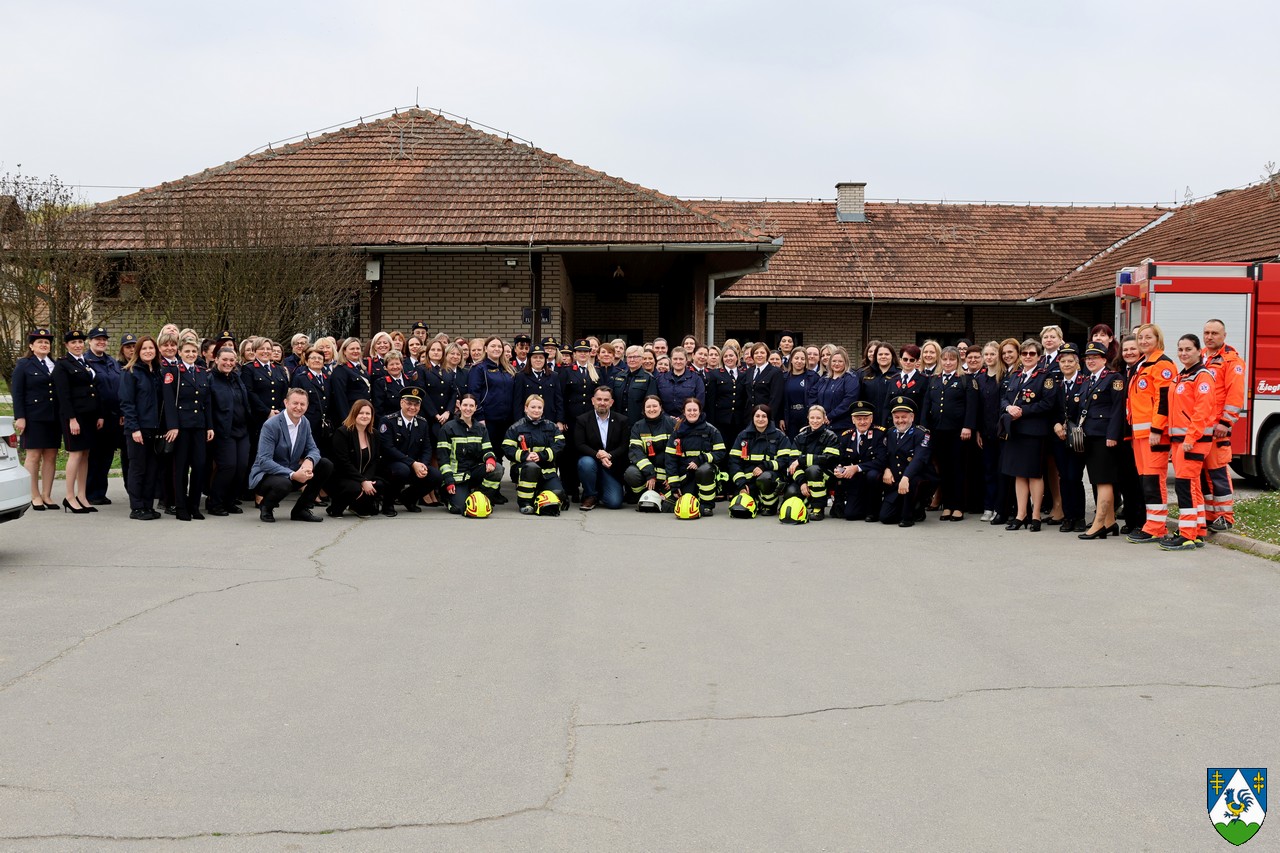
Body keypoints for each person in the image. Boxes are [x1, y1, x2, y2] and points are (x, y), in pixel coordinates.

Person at [1161, 334, 1216, 551]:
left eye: (1188, 349)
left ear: (1198, 351)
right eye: (1180, 349)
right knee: (1192, 485)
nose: (1183, 353)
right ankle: (1197, 530)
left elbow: (1202, 411)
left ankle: (1186, 534)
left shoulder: (1202, 377)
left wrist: (1190, 438)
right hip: (1180, 441)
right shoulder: (1182, 376)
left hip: (1192, 441)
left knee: (1185, 486)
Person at [1125, 323, 1177, 544]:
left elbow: (1163, 400)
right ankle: (1152, 524)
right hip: (1140, 435)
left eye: (1148, 337)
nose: (1143, 341)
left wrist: (1157, 429)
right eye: (1140, 338)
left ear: (1158, 339)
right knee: (1146, 481)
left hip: (1154, 434)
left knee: (1154, 481)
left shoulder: (1162, 364)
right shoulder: (1143, 364)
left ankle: (1156, 527)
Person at [250, 387, 334, 523]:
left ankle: (301, 510)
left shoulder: (304, 422)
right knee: (284, 483)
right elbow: (264, 461)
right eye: (295, 403)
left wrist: (309, 461)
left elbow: (313, 449)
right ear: (286, 403)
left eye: (302, 404)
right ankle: (266, 507)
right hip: (266, 475)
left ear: (307, 406)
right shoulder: (271, 425)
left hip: (292, 472)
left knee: (325, 465)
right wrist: (293, 474)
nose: (298, 407)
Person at [999, 339, 1057, 531]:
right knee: (1019, 474)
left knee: (1034, 474)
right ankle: (1021, 514)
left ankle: (1036, 515)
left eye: (1032, 354)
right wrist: (1008, 408)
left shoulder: (1045, 377)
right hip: (1015, 431)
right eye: (1024, 354)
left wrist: (1023, 411)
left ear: (1039, 357)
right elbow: (1004, 398)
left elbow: (1048, 404)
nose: (1028, 357)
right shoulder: (1016, 375)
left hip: (1034, 432)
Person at [161, 338, 214, 521]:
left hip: (199, 426)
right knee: (181, 468)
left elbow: (207, 402)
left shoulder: (201, 372)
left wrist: (209, 426)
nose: (191, 355)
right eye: (187, 351)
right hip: (181, 427)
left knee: (199, 465)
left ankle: (194, 506)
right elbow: (169, 401)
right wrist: (173, 426)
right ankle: (181, 507)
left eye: (193, 351)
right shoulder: (172, 372)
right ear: (180, 353)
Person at [1076, 342, 1125, 540]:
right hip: (1090, 436)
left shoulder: (1114, 378)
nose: (1090, 361)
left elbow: (1117, 409)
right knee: (1097, 480)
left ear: (1104, 359)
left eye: (1095, 357)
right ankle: (1110, 522)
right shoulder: (1088, 380)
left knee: (1103, 480)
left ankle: (1098, 524)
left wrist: (1112, 435)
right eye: (1088, 358)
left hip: (1105, 438)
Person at [1200, 319, 1245, 531]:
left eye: (1214, 333)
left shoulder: (1231, 361)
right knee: (1204, 474)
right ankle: (1210, 514)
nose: (1209, 337)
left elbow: (1235, 395)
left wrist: (1226, 422)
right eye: (1207, 332)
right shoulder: (1201, 356)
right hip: (1202, 427)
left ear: (1224, 336)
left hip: (1218, 428)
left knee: (1218, 473)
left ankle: (1226, 517)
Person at [51, 328, 101, 513]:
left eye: (80, 342)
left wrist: (99, 415)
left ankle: (82, 495)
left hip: (89, 416)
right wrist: (72, 419)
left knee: (85, 454)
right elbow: (63, 395)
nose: (78, 345)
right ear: (66, 345)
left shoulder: (86, 362)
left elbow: (93, 389)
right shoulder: (62, 364)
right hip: (74, 416)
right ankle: (69, 496)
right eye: (73, 342)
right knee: (76, 454)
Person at [921, 346, 972, 521]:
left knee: (957, 468)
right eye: (945, 359)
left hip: (957, 432)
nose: (948, 362)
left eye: (952, 359)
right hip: (938, 431)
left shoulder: (965, 379)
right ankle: (947, 505)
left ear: (958, 361)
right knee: (943, 469)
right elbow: (927, 404)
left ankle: (958, 506)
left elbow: (971, 406)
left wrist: (968, 426)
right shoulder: (934, 380)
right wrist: (924, 427)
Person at [12, 327, 60, 511]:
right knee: (33, 456)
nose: (44, 344)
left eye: (47, 342)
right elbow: (17, 393)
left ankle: (47, 494)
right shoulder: (24, 364)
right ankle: (34, 495)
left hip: (53, 417)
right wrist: (20, 417)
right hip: (33, 417)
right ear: (31, 346)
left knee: (51, 455)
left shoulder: (55, 364)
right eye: (39, 342)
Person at [118, 335, 164, 520]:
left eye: (151, 348)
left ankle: (147, 505)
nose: (148, 351)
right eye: (144, 348)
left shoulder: (158, 372)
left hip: (155, 428)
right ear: (138, 351)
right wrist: (134, 428)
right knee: (138, 468)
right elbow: (127, 403)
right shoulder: (130, 372)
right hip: (137, 429)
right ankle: (136, 507)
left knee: (152, 469)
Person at [378, 386, 442, 515]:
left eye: (416, 404)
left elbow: (427, 448)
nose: (412, 407)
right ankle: (388, 503)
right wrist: (413, 463)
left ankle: (408, 498)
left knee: (435, 475)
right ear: (401, 403)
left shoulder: (422, 423)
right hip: (391, 465)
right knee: (402, 470)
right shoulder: (388, 421)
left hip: (413, 465)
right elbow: (388, 448)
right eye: (409, 403)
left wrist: (423, 464)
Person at [438, 394, 502, 515]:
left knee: (497, 469)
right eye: (465, 405)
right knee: (460, 509)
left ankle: (483, 498)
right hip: (456, 476)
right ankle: (447, 497)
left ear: (476, 407)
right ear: (460, 406)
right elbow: (443, 458)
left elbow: (487, 449)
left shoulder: (481, 429)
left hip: (474, 472)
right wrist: (449, 480)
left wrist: (490, 460)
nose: (468, 408)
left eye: (471, 406)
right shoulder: (448, 428)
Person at [504, 394, 566, 514]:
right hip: (524, 469)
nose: (536, 410)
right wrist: (525, 456)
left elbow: (560, 445)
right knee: (531, 467)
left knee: (559, 494)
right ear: (526, 408)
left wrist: (541, 455)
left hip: (547, 471)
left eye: (539, 407)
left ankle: (538, 493)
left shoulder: (552, 426)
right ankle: (525, 503)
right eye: (533, 407)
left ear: (543, 409)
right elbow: (507, 448)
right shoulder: (516, 428)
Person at [207, 347, 251, 516]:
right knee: (228, 467)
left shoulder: (236, 378)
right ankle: (215, 503)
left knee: (241, 467)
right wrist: (211, 427)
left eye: (231, 360)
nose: (228, 363)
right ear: (216, 359)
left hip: (242, 430)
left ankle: (230, 501)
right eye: (224, 359)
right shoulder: (210, 379)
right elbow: (208, 407)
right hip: (223, 431)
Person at [1049, 343, 1088, 532]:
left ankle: (1079, 517)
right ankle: (1068, 516)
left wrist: (1075, 425)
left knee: (1075, 476)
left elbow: (1086, 408)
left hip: (1077, 437)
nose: (1066, 364)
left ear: (1077, 363)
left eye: (1070, 361)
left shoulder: (1085, 382)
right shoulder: (1056, 384)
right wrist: (1056, 424)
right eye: (1063, 361)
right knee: (1064, 477)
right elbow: (1050, 407)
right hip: (1059, 436)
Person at [729, 404, 794, 516]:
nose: (760, 419)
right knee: (740, 508)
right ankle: (756, 499)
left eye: (764, 416)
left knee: (765, 479)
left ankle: (770, 506)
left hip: (770, 477)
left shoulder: (779, 436)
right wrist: (741, 484)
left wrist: (764, 466)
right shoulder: (743, 436)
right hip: (747, 479)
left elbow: (784, 460)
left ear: (769, 418)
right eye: (757, 416)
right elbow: (734, 462)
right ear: (752, 418)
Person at [878, 396, 934, 527]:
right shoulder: (890, 433)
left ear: (912, 417)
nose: (900, 420)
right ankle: (907, 507)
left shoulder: (922, 434)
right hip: (897, 480)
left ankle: (911, 513)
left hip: (916, 478)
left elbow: (919, 459)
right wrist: (886, 469)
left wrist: (906, 477)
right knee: (885, 517)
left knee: (913, 483)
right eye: (896, 417)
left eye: (904, 417)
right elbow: (883, 455)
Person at [665, 397, 726, 516]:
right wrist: (674, 485)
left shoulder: (711, 430)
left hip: (704, 472)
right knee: (672, 505)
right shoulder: (677, 431)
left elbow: (720, 453)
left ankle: (707, 505)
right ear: (684, 412)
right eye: (689, 410)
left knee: (705, 470)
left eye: (695, 410)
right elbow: (670, 459)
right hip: (685, 474)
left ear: (700, 411)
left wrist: (701, 459)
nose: (692, 413)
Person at [327, 399, 386, 518]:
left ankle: (357, 506)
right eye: (361, 413)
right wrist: (362, 481)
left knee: (379, 485)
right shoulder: (342, 432)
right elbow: (343, 462)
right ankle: (335, 508)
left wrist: (367, 480)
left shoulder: (374, 434)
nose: (364, 416)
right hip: (343, 476)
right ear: (354, 414)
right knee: (354, 488)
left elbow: (375, 461)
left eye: (368, 413)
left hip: (364, 476)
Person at [84, 327, 123, 505]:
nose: (101, 342)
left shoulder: (112, 362)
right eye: (97, 339)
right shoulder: (86, 361)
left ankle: (100, 491)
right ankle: (89, 492)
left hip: (113, 416)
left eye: (104, 339)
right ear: (90, 341)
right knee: (94, 455)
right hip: (96, 416)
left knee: (107, 456)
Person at [832, 400, 887, 522]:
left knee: (872, 475)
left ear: (871, 419)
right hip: (855, 480)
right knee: (850, 515)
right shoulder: (846, 436)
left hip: (871, 476)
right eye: (859, 419)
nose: (862, 422)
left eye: (865, 418)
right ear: (853, 420)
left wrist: (856, 468)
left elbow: (881, 461)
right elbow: (840, 459)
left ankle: (873, 510)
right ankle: (860, 505)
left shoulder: (880, 434)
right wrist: (839, 469)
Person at [575, 385, 628, 510]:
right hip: (591, 462)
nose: (602, 403)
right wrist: (598, 455)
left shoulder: (622, 420)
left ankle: (599, 488)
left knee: (614, 503)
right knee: (585, 462)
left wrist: (609, 455)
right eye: (599, 399)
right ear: (593, 401)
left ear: (611, 402)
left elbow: (624, 445)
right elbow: (580, 444)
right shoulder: (582, 420)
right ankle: (590, 495)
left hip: (610, 466)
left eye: (606, 400)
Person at [1114, 335, 1146, 535]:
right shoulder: (1120, 373)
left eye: (1133, 349)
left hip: (1139, 435)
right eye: (1125, 349)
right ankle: (1131, 520)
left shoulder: (1143, 371)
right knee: (1125, 479)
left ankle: (1142, 521)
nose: (1129, 353)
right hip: (1123, 434)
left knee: (1139, 480)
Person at [786, 405, 841, 520]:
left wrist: (802, 459)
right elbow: (792, 464)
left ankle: (818, 507)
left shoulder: (831, 437)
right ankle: (809, 500)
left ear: (824, 419)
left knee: (813, 470)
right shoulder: (799, 437)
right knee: (791, 494)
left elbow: (828, 460)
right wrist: (802, 482)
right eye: (812, 418)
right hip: (804, 477)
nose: (815, 421)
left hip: (825, 476)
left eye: (818, 418)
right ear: (808, 418)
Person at [469, 336, 516, 465]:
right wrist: (479, 416)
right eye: (493, 346)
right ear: (485, 348)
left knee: (502, 452)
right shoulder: (479, 368)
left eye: (499, 346)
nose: (497, 349)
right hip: (488, 419)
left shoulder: (508, 369)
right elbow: (474, 393)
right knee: (490, 453)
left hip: (507, 420)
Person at [973, 342, 1006, 524]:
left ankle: (1000, 508)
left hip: (1001, 432)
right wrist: (978, 430)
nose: (989, 357)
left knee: (1001, 472)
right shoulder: (980, 379)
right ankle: (988, 506)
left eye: (992, 354)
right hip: (985, 432)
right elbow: (978, 408)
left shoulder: (1005, 377)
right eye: (986, 354)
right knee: (988, 471)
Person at [624, 395, 676, 500]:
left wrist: (672, 476)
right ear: (644, 409)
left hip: (667, 472)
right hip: (647, 473)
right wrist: (650, 474)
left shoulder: (672, 424)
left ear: (661, 407)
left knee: (669, 502)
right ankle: (640, 495)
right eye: (648, 407)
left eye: (655, 406)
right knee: (631, 473)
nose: (651, 409)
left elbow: (677, 453)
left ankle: (662, 493)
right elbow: (636, 453)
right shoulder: (638, 427)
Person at [808, 346, 859, 433]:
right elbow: (812, 395)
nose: (836, 364)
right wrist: (818, 414)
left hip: (842, 426)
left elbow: (848, 401)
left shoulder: (851, 379)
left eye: (840, 361)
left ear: (846, 363)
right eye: (834, 361)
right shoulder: (824, 379)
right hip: (822, 425)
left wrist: (829, 416)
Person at [290, 347, 332, 453]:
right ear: (307, 362)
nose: (317, 360)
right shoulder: (301, 378)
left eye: (320, 358)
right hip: (308, 423)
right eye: (313, 358)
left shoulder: (328, 378)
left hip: (325, 424)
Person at [512, 346, 562, 425]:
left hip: (550, 419)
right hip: (527, 421)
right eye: (535, 357)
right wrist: (519, 423)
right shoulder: (521, 376)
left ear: (545, 359)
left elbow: (558, 401)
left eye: (541, 357)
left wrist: (560, 421)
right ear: (530, 359)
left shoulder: (553, 376)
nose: (538, 360)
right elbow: (518, 402)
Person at [708, 346, 745, 445]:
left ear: (737, 357)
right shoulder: (715, 374)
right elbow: (711, 400)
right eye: (726, 356)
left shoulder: (744, 375)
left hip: (739, 420)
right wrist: (711, 422)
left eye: (731, 355)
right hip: (721, 420)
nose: (729, 358)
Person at [330, 337, 372, 425]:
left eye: (358, 348)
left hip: (362, 414)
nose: (355, 351)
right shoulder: (340, 370)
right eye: (352, 349)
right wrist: (347, 420)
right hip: (351, 414)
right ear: (344, 351)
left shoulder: (361, 368)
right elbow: (340, 398)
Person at [744, 342, 785, 430]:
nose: (759, 355)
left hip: (766, 418)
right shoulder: (749, 372)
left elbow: (775, 398)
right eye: (756, 353)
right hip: (750, 418)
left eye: (762, 353)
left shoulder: (775, 372)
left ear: (767, 355)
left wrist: (767, 417)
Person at [610, 345, 655, 425]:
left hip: (638, 421)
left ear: (642, 359)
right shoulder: (619, 376)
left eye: (635, 357)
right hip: (618, 420)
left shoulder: (649, 378)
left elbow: (651, 402)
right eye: (629, 357)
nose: (632, 360)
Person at [655, 346, 705, 417]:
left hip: (689, 419)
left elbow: (700, 402)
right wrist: (667, 417)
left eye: (681, 359)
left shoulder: (696, 379)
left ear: (686, 360)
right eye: (675, 359)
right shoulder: (661, 379)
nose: (678, 362)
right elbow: (655, 400)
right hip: (664, 420)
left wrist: (683, 417)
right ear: (671, 360)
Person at [781, 348, 817, 437]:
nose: (799, 361)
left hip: (806, 417)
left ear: (806, 361)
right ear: (791, 360)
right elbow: (780, 400)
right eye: (796, 358)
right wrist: (781, 418)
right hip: (789, 418)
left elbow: (816, 398)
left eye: (802, 359)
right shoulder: (784, 377)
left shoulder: (813, 377)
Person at [861, 342, 899, 425]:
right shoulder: (864, 374)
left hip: (892, 422)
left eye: (886, 354)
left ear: (892, 356)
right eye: (880, 354)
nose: (883, 356)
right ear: (876, 356)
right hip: (869, 422)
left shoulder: (899, 374)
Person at [372, 351, 415, 418]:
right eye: (391, 364)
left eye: (397, 364)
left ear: (402, 365)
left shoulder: (410, 381)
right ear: (386, 367)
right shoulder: (381, 383)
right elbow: (378, 409)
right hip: (390, 421)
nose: (395, 367)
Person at [891, 345, 928, 422]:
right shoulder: (893, 379)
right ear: (900, 360)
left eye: (912, 360)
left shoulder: (924, 379)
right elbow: (887, 406)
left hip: (915, 423)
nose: (908, 362)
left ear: (917, 361)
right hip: (896, 423)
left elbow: (925, 407)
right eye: (905, 359)